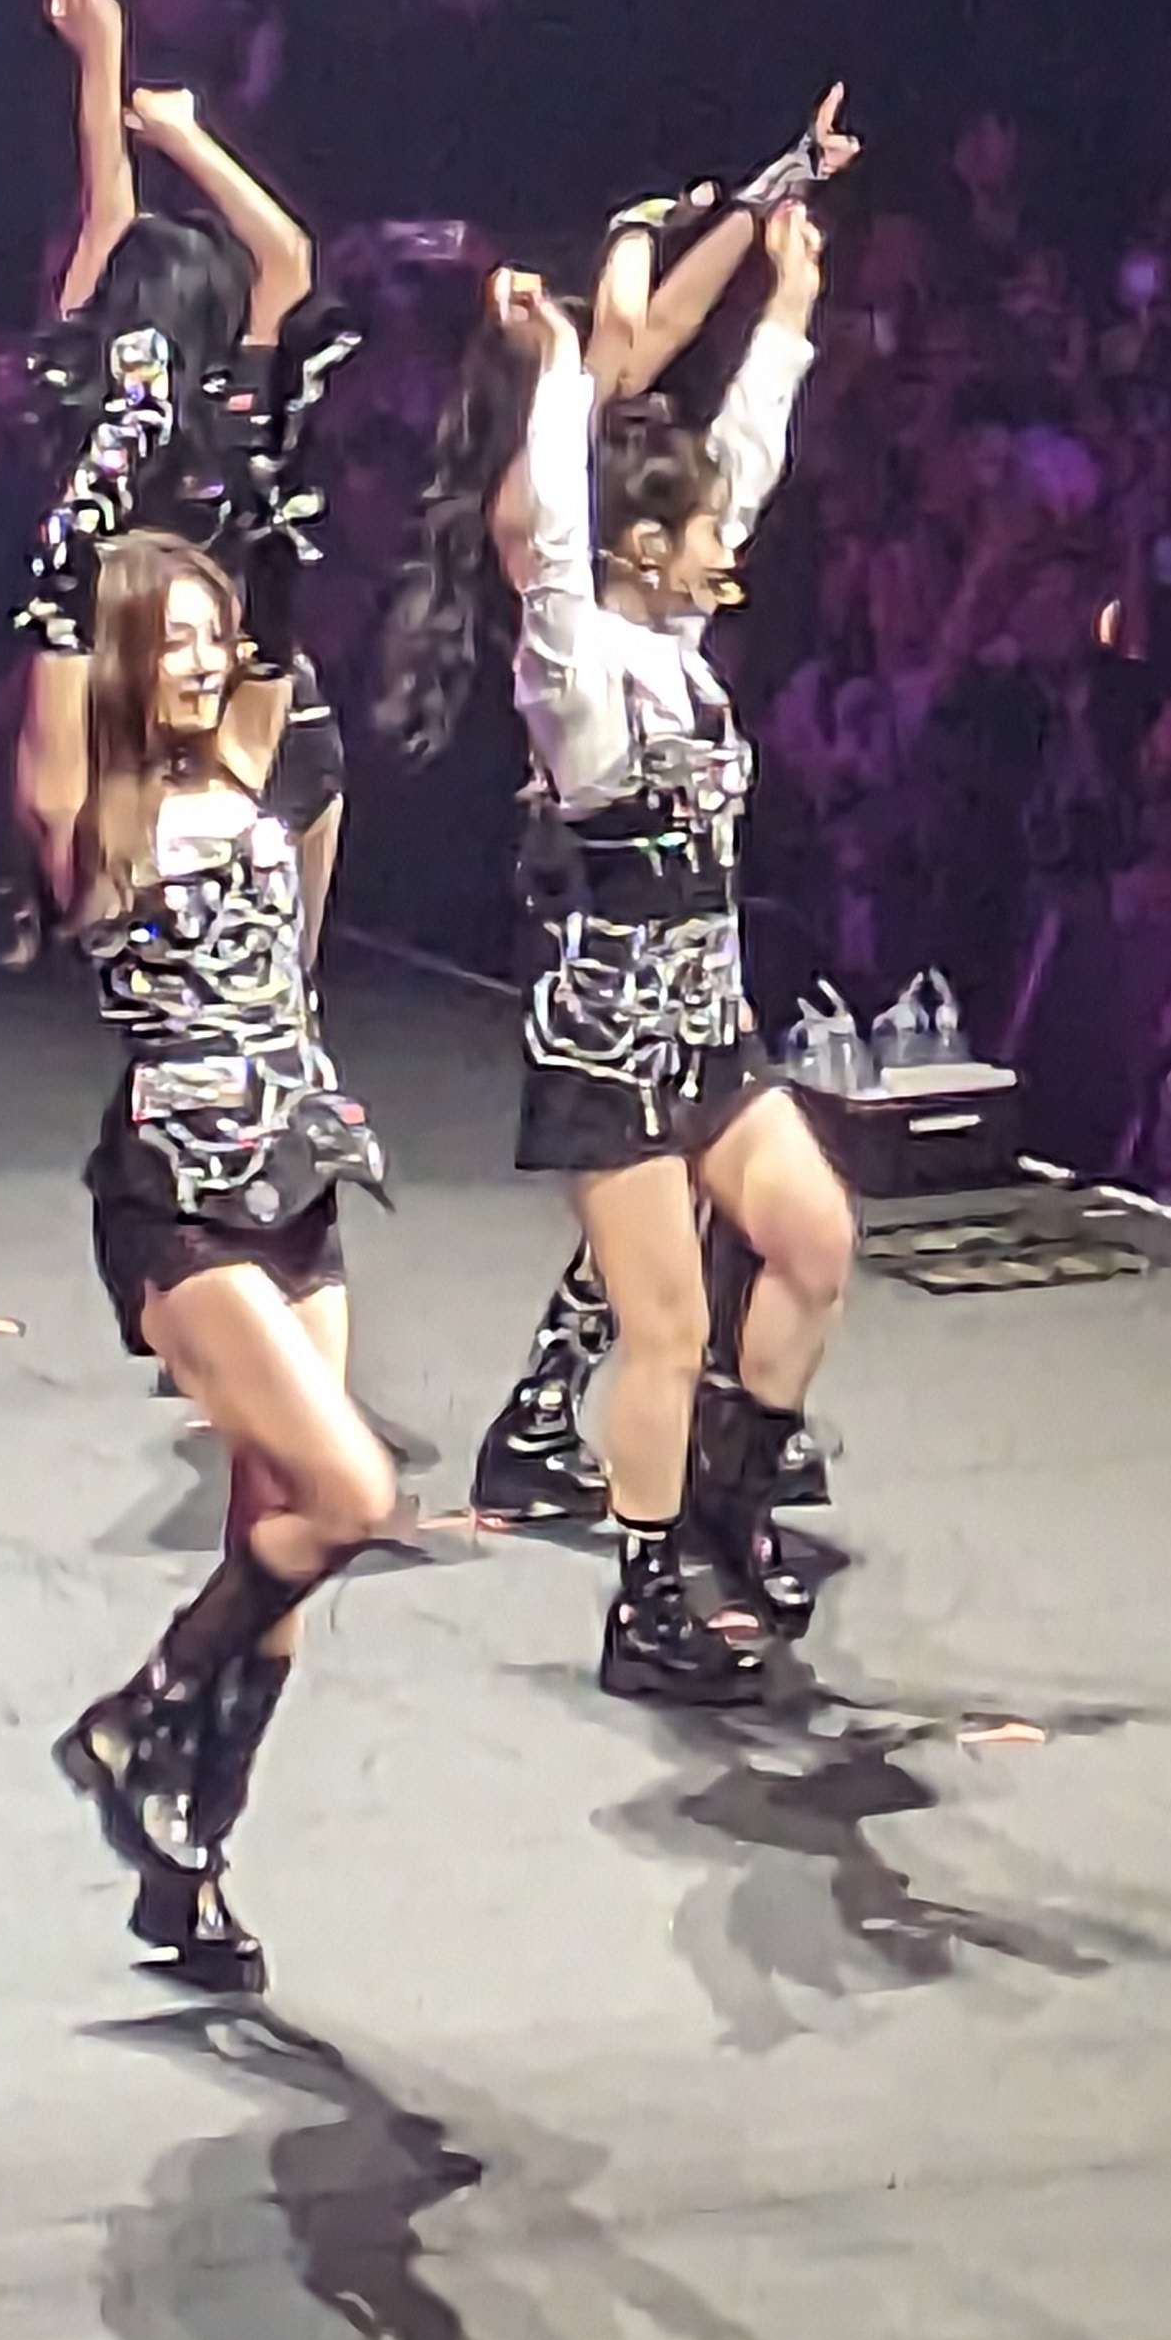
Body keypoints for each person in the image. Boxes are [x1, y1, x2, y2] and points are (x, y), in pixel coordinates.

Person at [390, 196, 857, 1702]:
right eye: (701, 534)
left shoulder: (679, 647)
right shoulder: (579, 673)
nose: (730, 544)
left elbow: (748, 462)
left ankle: (732, 1499)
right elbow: (555, 538)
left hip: (708, 1030)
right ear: (648, 549)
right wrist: (555, 373)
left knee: (815, 1240)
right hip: (607, 1047)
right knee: (661, 1326)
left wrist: (790, 307)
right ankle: (646, 1601)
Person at [52, 530, 398, 1990]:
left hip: (297, 1176)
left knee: (281, 1549)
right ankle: (137, 1714)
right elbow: (53, 678)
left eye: (215, 634)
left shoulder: (256, 771)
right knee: (352, 1494)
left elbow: (302, 933)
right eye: (173, 640)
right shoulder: (94, 815)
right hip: (177, 1199)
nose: (202, 662)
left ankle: (187, 1866)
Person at [11, 0, 352, 908]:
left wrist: (102, 55)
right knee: (269, 980)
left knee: (156, 954)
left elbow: (106, 212)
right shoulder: (234, 402)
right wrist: (186, 136)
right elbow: (288, 254)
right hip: (237, 704)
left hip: (156, 712)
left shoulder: (94, 405)